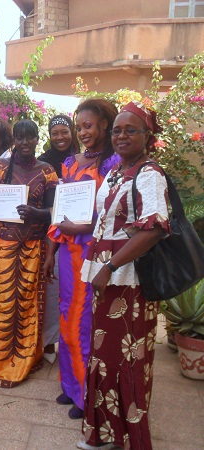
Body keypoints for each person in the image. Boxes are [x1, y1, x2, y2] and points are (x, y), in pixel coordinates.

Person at [78, 101, 168, 450]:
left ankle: (130, 438)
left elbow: (154, 229)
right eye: (117, 130)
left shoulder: (149, 174)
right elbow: (105, 220)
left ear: (147, 135)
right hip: (107, 278)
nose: (122, 136)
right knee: (104, 355)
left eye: (131, 130)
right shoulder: (117, 171)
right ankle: (104, 432)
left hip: (129, 279)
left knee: (127, 358)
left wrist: (110, 266)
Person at [43, 101, 119, 419]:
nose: (83, 132)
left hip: (93, 251)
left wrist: (84, 228)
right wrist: (50, 252)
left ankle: (85, 394)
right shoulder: (70, 163)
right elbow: (60, 210)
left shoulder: (113, 163)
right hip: (67, 251)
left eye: (89, 125)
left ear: (104, 125)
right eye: (80, 127)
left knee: (84, 321)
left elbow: (113, 213)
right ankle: (70, 384)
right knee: (66, 315)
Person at [0, 119, 58, 388]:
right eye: (20, 137)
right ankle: (0, 363)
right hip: (3, 245)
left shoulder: (47, 171)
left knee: (28, 303)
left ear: (37, 139)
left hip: (34, 247)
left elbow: (55, 212)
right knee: (4, 302)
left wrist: (36, 213)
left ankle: (26, 359)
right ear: (13, 140)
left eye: (30, 137)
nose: (25, 143)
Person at [37, 114, 80, 365]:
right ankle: (49, 342)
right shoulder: (43, 163)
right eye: (55, 133)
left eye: (65, 132)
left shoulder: (84, 160)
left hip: (80, 233)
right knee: (52, 289)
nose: (60, 137)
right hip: (51, 234)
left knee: (76, 290)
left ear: (72, 132)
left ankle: (73, 341)